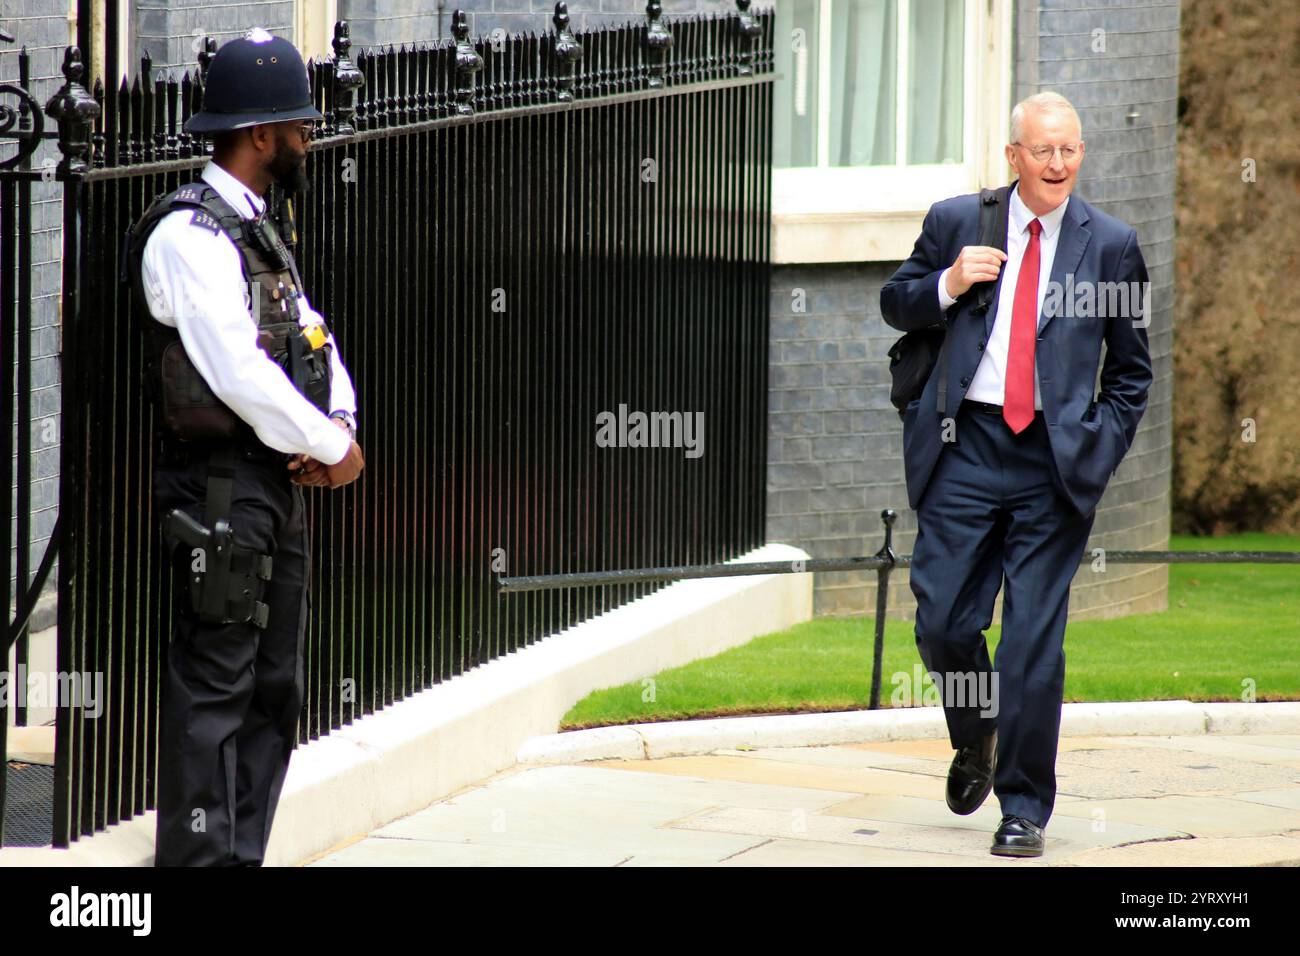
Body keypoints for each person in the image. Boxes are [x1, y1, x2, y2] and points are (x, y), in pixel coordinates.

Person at [880, 92, 1152, 858]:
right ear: (1013, 157)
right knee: (943, 620)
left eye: (1070, 150)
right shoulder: (957, 222)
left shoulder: (1112, 246)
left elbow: (1132, 373)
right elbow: (895, 304)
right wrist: (948, 284)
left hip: (1054, 463)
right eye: (1043, 151)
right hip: (965, 445)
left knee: (1031, 638)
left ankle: (1023, 807)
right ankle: (980, 736)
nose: (1059, 164)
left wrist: (1095, 445)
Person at [123, 27, 365, 866]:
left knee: (274, 692)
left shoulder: (258, 229)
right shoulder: (189, 237)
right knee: (216, 688)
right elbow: (234, 369)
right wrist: (325, 442)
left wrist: (341, 427)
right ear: (261, 136)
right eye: (299, 125)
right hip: (217, 494)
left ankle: (241, 856)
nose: (308, 137)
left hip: (272, 488)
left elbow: (309, 338)